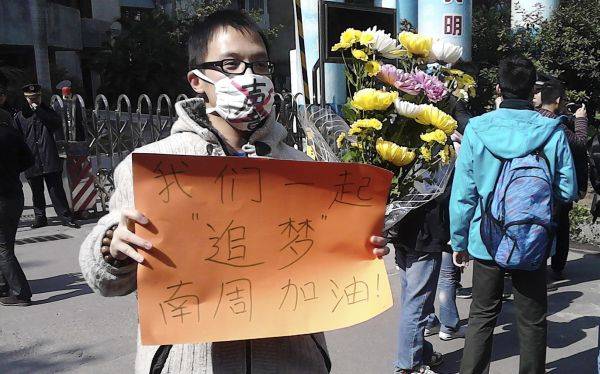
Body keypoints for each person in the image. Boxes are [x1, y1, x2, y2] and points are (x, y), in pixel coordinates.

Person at [79, 10, 389, 374]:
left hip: (290, 362)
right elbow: (108, 278)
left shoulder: (306, 169)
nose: (250, 77)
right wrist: (111, 248)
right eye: (231, 64)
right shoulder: (153, 166)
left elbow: (326, 257)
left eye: (259, 65)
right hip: (189, 363)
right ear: (197, 80)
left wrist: (360, 247)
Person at [450, 56, 578, 374]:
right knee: (532, 319)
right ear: (532, 90)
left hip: (486, 239)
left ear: (498, 88)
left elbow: (463, 194)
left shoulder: (477, 129)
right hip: (532, 240)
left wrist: (459, 240)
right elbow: (567, 190)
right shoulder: (551, 132)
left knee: (482, 315)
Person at [536, 79, 588, 280]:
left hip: (534, 182)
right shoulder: (556, 126)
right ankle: (554, 267)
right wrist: (581, 119)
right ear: (558, 100)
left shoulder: (534, 118)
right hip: (556, 184)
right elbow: (580, 143)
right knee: (558, 226)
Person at [13, 84, 79, 229]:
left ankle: (65, 217)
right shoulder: (20, 116)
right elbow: (17, 137)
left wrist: (39, 110)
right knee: (36, 191)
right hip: (32, 158)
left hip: (49, 156)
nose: (34, 100)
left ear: (41, 97)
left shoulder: (49, 112)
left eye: (36, 97)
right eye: (31, 99)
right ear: (26, 99)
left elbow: (55, 124)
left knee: (55, 189)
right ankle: (40, 218)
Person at [0, 120, 34, 306]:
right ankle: (4, 286)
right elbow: (29, 160)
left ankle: (21, 293)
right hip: (15, 194)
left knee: (3, 248)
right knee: (6, 246)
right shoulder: (9, 132)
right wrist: (10, 172)